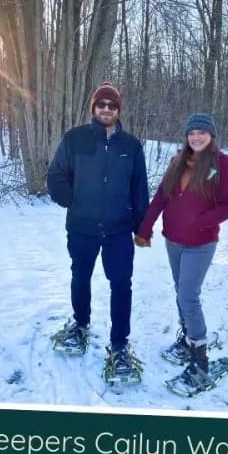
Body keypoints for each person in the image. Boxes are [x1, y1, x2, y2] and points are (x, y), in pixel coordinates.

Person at [46, 81, 150, 383]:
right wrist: (71, 200)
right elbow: (56, 175)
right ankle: (80, 324)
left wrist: (142, 227)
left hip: (118, 230)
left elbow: (139, 190)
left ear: (118, 111)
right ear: (94, 108)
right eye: (101, 105)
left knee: (121, 284)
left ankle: (119, 344)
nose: (106, 110)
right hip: (82, 227)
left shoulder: (131, 146)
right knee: (80, 276)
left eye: (112, 106)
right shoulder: (75, 139)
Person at [136, 113, 228, 395]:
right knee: (180, 290)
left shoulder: (223, 165)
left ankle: (200, 360)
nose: (196, 137)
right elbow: (160, 197)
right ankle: (187, 339)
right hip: (173, 240)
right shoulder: (177, 161)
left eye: (202, 133)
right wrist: (145, 228)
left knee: (188, 295)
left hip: (201, 242)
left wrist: (199, 221)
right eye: (192, 133)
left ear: (211, 136)